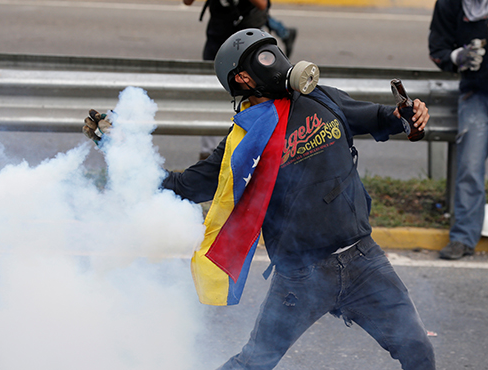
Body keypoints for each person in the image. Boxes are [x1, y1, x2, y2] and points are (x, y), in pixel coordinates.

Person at [83, 28, 435, 369]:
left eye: (275, 52)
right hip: (300, 276)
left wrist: (409, 118)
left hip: (363, 260)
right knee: (254, 362)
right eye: (265, 58)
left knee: (418, 350)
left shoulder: (321, 98)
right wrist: (118, 150)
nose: (277, 62)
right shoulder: (243, 142)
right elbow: (183, 186)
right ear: (243, 79)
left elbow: (380, 118)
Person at [183, 0, 297, 160]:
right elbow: (187, 2)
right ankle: (208, 154)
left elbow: (262, 4)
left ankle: (257, 152)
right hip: (218, 41)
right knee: (209, 96)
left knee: (256, 94)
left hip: (249, 46)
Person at [429, 0, 488, 260]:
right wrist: (458, 57)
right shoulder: (450, 4)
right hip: (475, 94)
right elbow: (438, 48)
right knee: (470, 167)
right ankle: (463, 238)